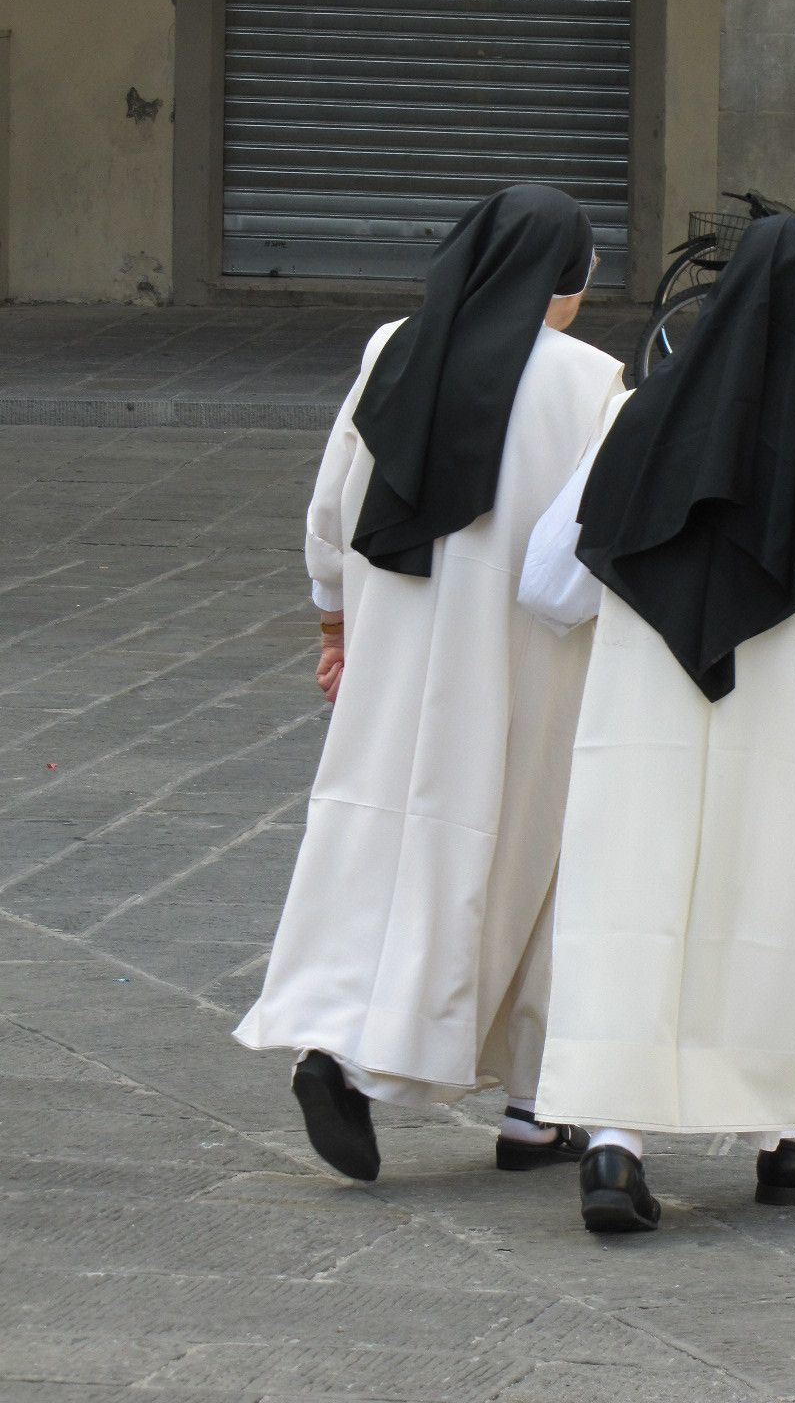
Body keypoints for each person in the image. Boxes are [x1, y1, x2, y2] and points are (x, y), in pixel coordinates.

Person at [517, 213, 795, 1233]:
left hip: (647, 723)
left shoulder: (635, 421)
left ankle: (614, 1146)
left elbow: (550, 585)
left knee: (633, 908)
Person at [235, 185, 624, 1182]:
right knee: (530, 863)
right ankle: (533, 1106)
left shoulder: (394, 347)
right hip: (526, 663)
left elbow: (334, 503)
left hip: (395, 647)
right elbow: (596, 541)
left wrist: (334, 623)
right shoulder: (590, 382)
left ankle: (335, 1041)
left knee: (374, 841)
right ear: (563, 276)